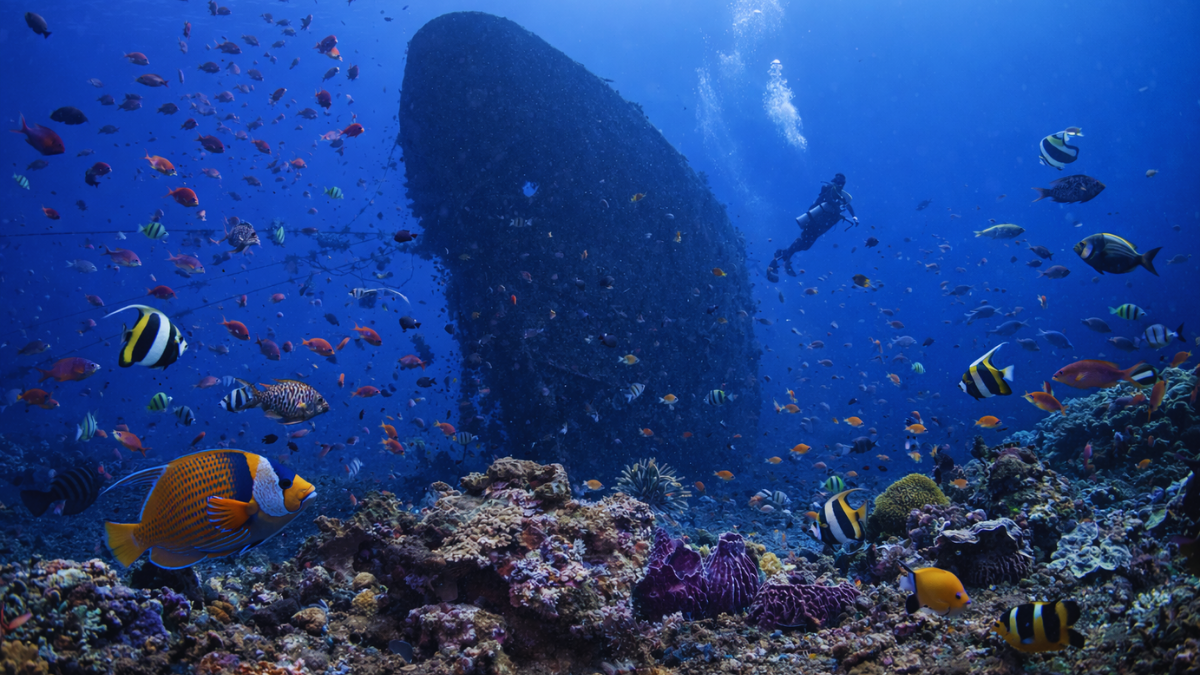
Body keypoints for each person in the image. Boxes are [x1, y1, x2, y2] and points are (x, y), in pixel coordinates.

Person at [767, 173, 857, 281]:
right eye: (839, 183)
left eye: (842, 183)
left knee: (805, 245)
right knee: (804, 242)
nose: (840, 185)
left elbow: (848, 205)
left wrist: (854, 216)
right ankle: (785, 258)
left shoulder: (839, 196)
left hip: (819, 225)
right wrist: (839, 210)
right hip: (814, 223)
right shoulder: (829, 189)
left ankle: (783, 254)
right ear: (836, 182)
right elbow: (829, 200)